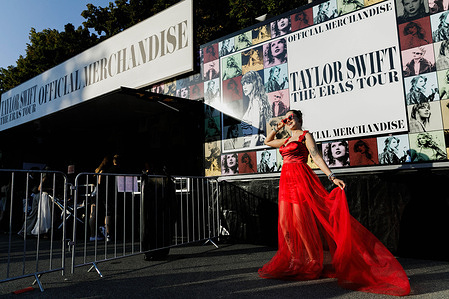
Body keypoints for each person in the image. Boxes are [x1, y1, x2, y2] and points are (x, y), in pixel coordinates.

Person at [259, 110, 410, 296]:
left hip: (299, 179)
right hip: (286, 182)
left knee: (299, 222)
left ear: (299, 119)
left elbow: (316, 157)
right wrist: (277, 128)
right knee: (284, 224)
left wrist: (332, 176)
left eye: (292, 117)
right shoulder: (286, 140)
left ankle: (312, 260)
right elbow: (267, 141)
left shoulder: (305, 136)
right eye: (287, 118)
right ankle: (296, 259)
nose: (289, 120)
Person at [240, 71, 272, 148]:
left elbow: (255, 134)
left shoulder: (255, 102)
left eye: (248, 83)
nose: (244, 87)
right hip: (250, 143)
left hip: (252, 144)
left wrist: (250, 150)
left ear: (254, 84)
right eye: (243, 84)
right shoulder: (252, 101)